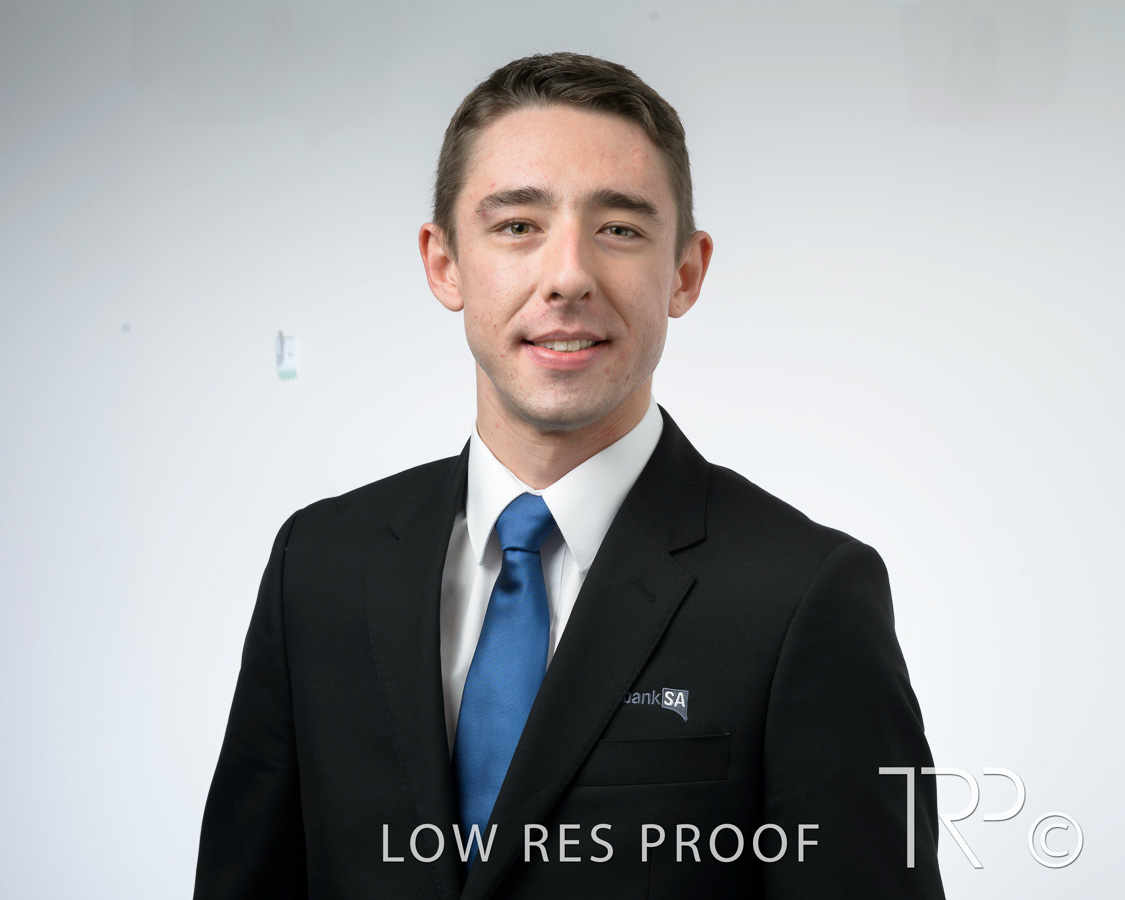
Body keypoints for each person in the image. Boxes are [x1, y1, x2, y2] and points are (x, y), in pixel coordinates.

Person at [194, 52, 945, 899]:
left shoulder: (804, 594)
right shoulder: (319, 564)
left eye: (619, 229)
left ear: (685, 272)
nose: (568, 277)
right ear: (443, 263)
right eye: (517, 225)